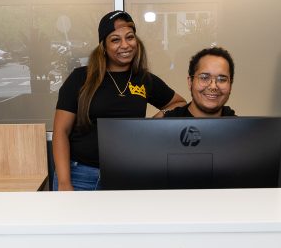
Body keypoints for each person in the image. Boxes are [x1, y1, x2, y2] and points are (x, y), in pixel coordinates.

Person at [52, 10, 186, 191]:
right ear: (104, 46)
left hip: (125, 174)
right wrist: (64, 183)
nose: (125, 45)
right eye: (115, 40)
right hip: (80, 176)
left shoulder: (144, 79)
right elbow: (61, 131)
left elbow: (179, 103)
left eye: (130, 37)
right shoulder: (80, 78)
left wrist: (155, 121)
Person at [160, 47, 236, 118]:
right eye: (204, 78)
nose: (213, 86)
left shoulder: (241, 128)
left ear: (231, 85)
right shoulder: (168, 125)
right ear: (190, 82)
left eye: (221, 79)